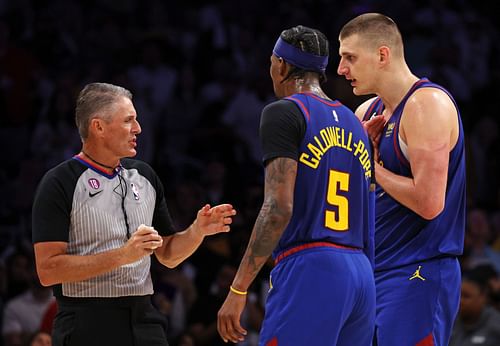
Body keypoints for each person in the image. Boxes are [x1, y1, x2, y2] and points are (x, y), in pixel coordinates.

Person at [32, 82, 236, 346]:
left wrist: (197, 231)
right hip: (85, 321)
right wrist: (122, 255)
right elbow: (48, 270)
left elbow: (168, 255)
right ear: (99, 127)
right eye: (129, 120)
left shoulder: (145, 176)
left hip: (144, 319)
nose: (138, 129)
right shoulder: (60, 182)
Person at [217, 25, 375, 345]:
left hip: (312, 267)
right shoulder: (356, 126)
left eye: (271, 61)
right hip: (361, 271)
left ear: (282, 66)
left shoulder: (284, 112)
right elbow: (370, 212)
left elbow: (278, 207)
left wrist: (238, 288)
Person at [337, 13, 466, 346]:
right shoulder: (365, 113)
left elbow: (429, 203)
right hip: (370, 270)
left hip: (419, 270)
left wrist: (369, 164)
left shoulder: (427, 105)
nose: (341, 69)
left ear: (382, 55)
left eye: (349, 57)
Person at [449, 267, 500, 346]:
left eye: (466, 296)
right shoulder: (451, 323)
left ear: (483, 297)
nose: (461, 301)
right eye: (459, 296)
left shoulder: (496, 327)